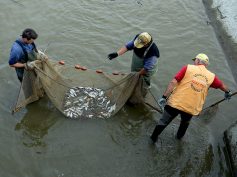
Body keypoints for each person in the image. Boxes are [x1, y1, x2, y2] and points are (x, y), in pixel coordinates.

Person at [150, 53, 232, 143]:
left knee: (163, 121)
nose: (194, 62)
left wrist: (164, 97)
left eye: (195, 60)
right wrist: (227, 92)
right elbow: (222, 86)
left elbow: (173, 82)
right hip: (191, 108)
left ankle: (153, 139)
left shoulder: (188, 68)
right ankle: (179, 139)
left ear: (198, 61)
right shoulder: (211, 76)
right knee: (184, 124)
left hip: (175, 103)